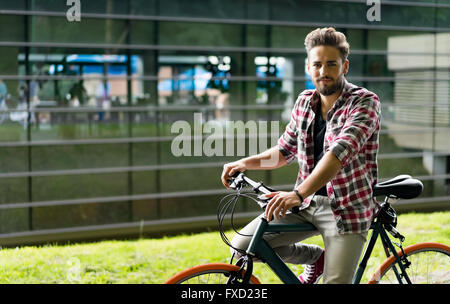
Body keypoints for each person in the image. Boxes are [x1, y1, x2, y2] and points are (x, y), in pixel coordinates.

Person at [221, 27, 381, 284]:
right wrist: (244, 163)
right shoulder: (305, 102)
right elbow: (285, 151)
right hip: (307, 204)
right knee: (242, 246)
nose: (324, 72)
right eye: (317, 64)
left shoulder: (364, 102)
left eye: (332, 64)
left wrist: (297, 194)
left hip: (347, 210)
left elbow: (337, 155)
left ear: (345, 66)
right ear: (309, 67)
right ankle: (316, 259)